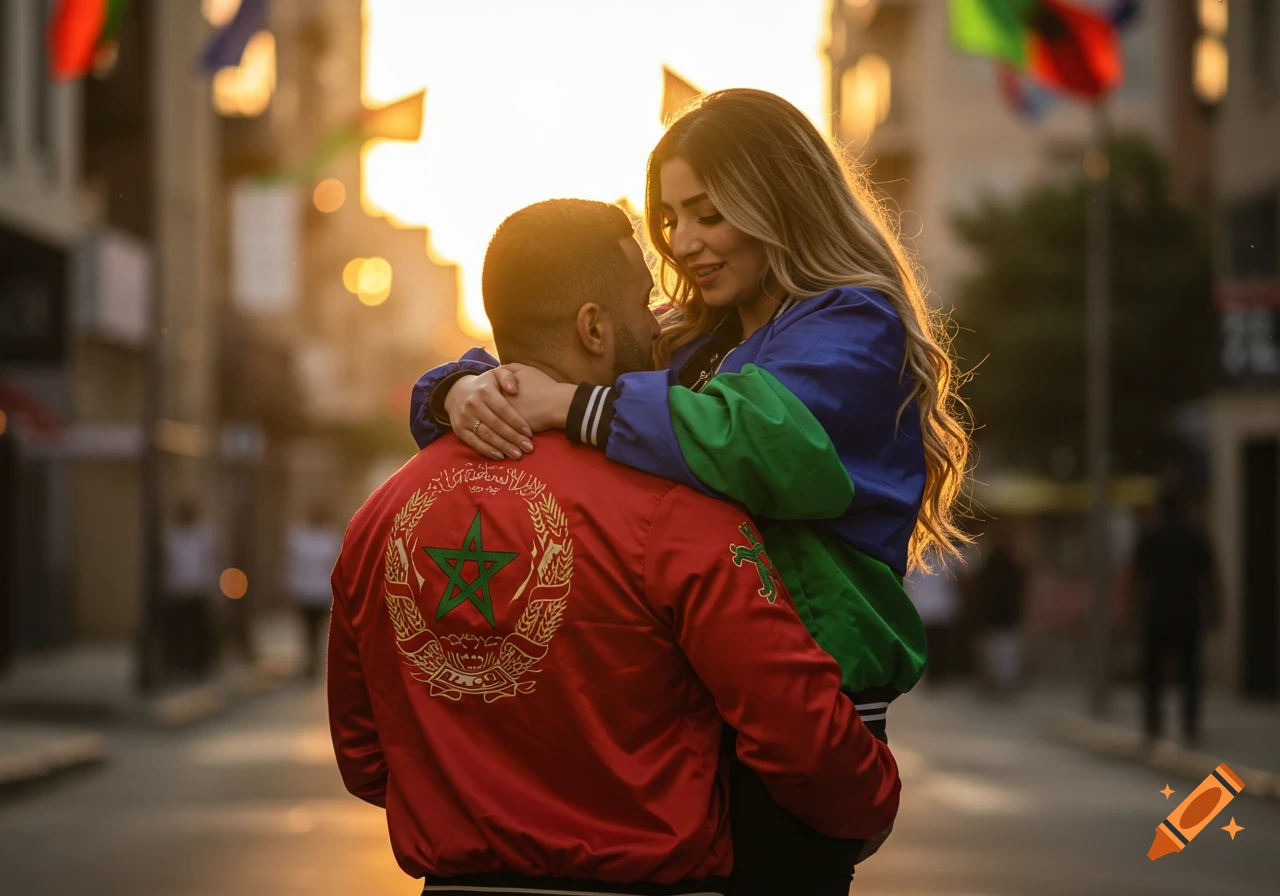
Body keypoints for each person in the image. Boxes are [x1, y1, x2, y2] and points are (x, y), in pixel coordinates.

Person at [406, 89, 970, 894]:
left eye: (708, 213)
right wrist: (456, 391)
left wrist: (573, 407)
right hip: (707, 708)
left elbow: (758, 442)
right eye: (671, 218)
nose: (685, 242)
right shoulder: (702, 332)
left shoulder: (853, 322)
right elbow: (559, 345)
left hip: (808, 704)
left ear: (777, 197)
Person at [329, 199, 899, 896]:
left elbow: (364, 758)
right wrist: (872, 795)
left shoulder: (381, 517)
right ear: (593, 327)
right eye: (643, 303)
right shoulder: (680, 512)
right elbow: (798, 732)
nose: (659, 326)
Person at [1132, 482, 1217, 748]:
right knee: (1190, 671)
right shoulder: (1195, 534)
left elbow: (1137, 576)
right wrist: (1214, 611)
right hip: (1188, 612)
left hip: (1156, 612)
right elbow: (1210, 577)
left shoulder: (1151, 534)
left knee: (1152, 672)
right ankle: (1189, 725)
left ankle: (1153, 724)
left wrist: (1134, 612)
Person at [162, 497, 218, 681]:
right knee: (179, 631)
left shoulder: (204, 536)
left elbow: (210, 563)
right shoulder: (171, 536)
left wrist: (212, 587)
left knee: (200, 630)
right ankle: (179, 665)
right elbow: (167, 564)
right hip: (177, 591)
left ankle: (201, 665)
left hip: (199, 591)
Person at [285, 505, 342, 680]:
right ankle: (308, 662)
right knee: (306, 629)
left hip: (323, 592)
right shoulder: (298, 537)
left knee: (319, 629)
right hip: (304, 592)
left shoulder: (331, 538)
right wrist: (290, 588)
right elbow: (292, 566)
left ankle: (315, 662)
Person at [973, 526, 1027, 697]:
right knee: (1007, 652)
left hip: (991, 616)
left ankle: (996, 683)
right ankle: (1005, 684)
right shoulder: (1014, 567)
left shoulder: (987, 566)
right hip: (1008, 616)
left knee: (994, 651)